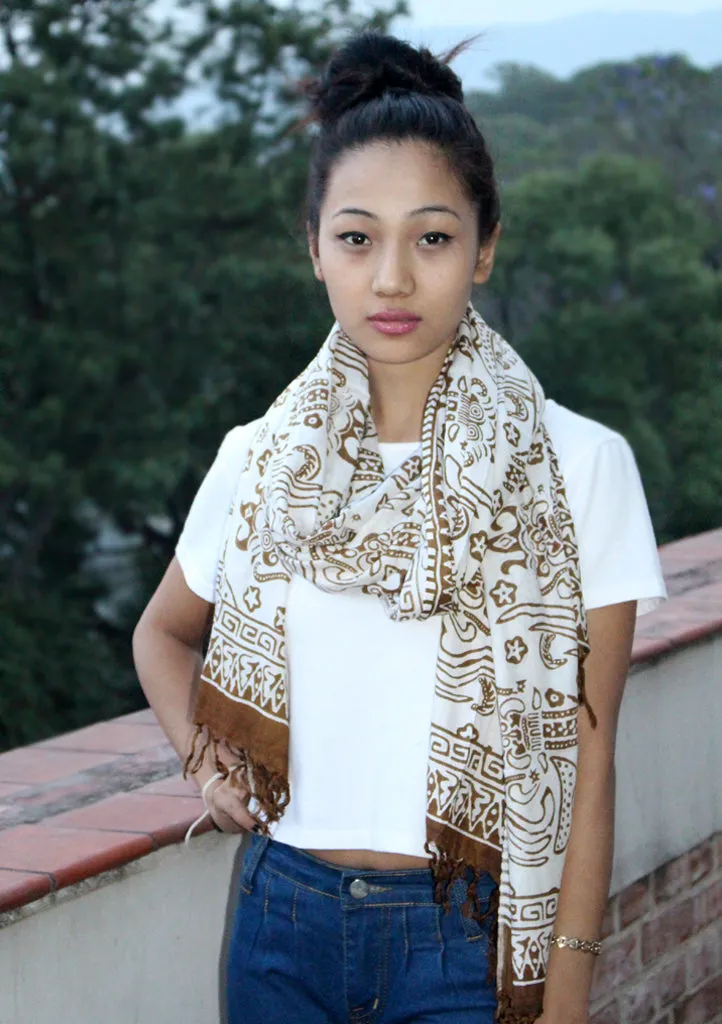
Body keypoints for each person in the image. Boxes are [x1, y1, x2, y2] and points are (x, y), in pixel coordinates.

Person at [132, 30, 667, 1024]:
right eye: (354, 237)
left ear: (484, 247)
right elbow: (161, 632)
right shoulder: (260, 459)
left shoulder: (579, 467)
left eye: (429, 237)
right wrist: (205, 760)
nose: (388, 278)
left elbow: (586, 771)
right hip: (278, 920)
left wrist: (567, 992)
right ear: (313, 249)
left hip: (466, 931)